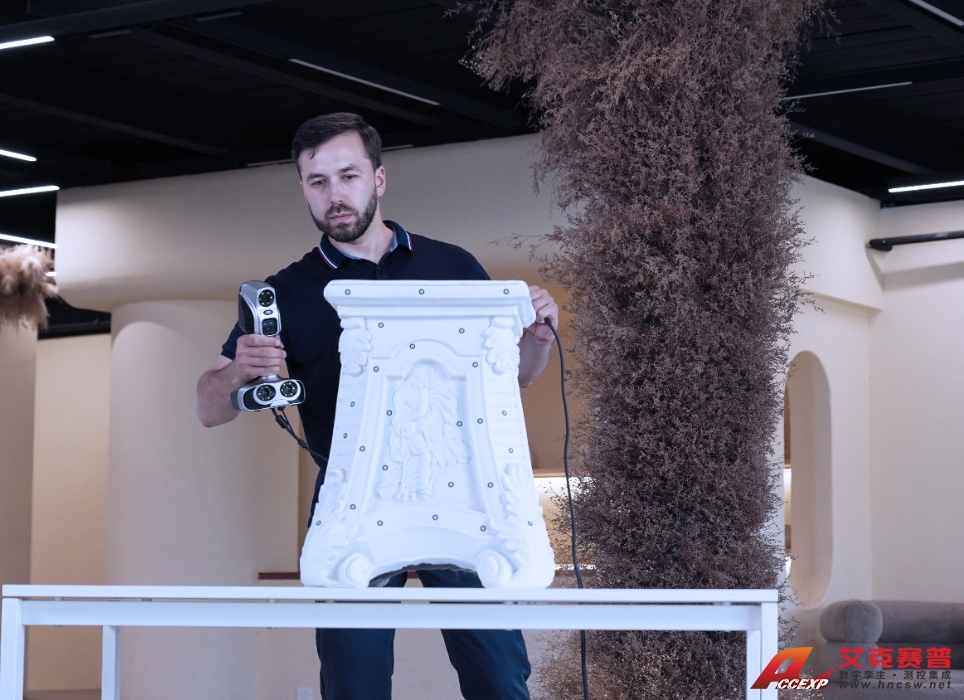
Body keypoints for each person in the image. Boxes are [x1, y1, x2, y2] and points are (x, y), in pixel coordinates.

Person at [195, 112, 558, 700]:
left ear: (379, 179)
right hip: (351, 496)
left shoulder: (454, 267)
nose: (335, 195)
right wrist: (239, 368)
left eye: (349, 176)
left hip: (460, 490)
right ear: (303, 189)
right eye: (318, 182)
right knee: (353, 683)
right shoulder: (286, 291)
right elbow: (209, 408)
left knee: (498, 676)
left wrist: (537, 338)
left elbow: (517, 376)